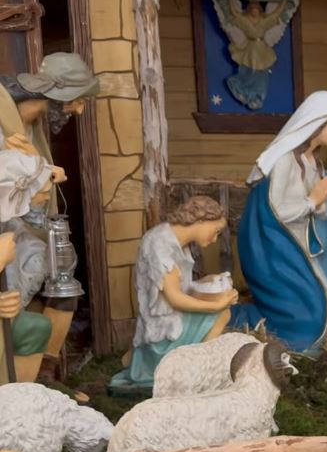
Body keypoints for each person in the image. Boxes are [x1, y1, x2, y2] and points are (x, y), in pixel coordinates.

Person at [0, 51, 99, 380]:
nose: (79, 110)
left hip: (28, 225)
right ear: (57, 96)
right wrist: (40, 171)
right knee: (37, 266)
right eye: (77, 100)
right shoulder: (6, 124)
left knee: (63, 274)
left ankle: (46, 375)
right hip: (8, 229)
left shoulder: (32, 126)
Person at [234, 91, 327, 353]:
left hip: (303, 248)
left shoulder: (315, 162)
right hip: (276, 252)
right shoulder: (283, 160)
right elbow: (275, 214)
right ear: (317, 123)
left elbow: (318, 209)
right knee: (310, 323)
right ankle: (240, 319)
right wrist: (312, 201)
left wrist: (321, 205)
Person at [109, 196, 237, 390]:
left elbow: (180, 287)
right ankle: (194, 371)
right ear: (201, 221)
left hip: (172, 317)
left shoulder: (177, 241)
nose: (214, 239)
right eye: (216, 231)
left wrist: (209, 282)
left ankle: (197, 367)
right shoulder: (160, 244)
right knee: (222, 313)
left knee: (220, 300)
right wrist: (215, 305)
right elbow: (175, 299)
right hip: (164, 329)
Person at [0, 148, 61, 382]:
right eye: (42, 192)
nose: (46, 198)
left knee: (35, 326)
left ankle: (19, 394)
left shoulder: (8, 223)